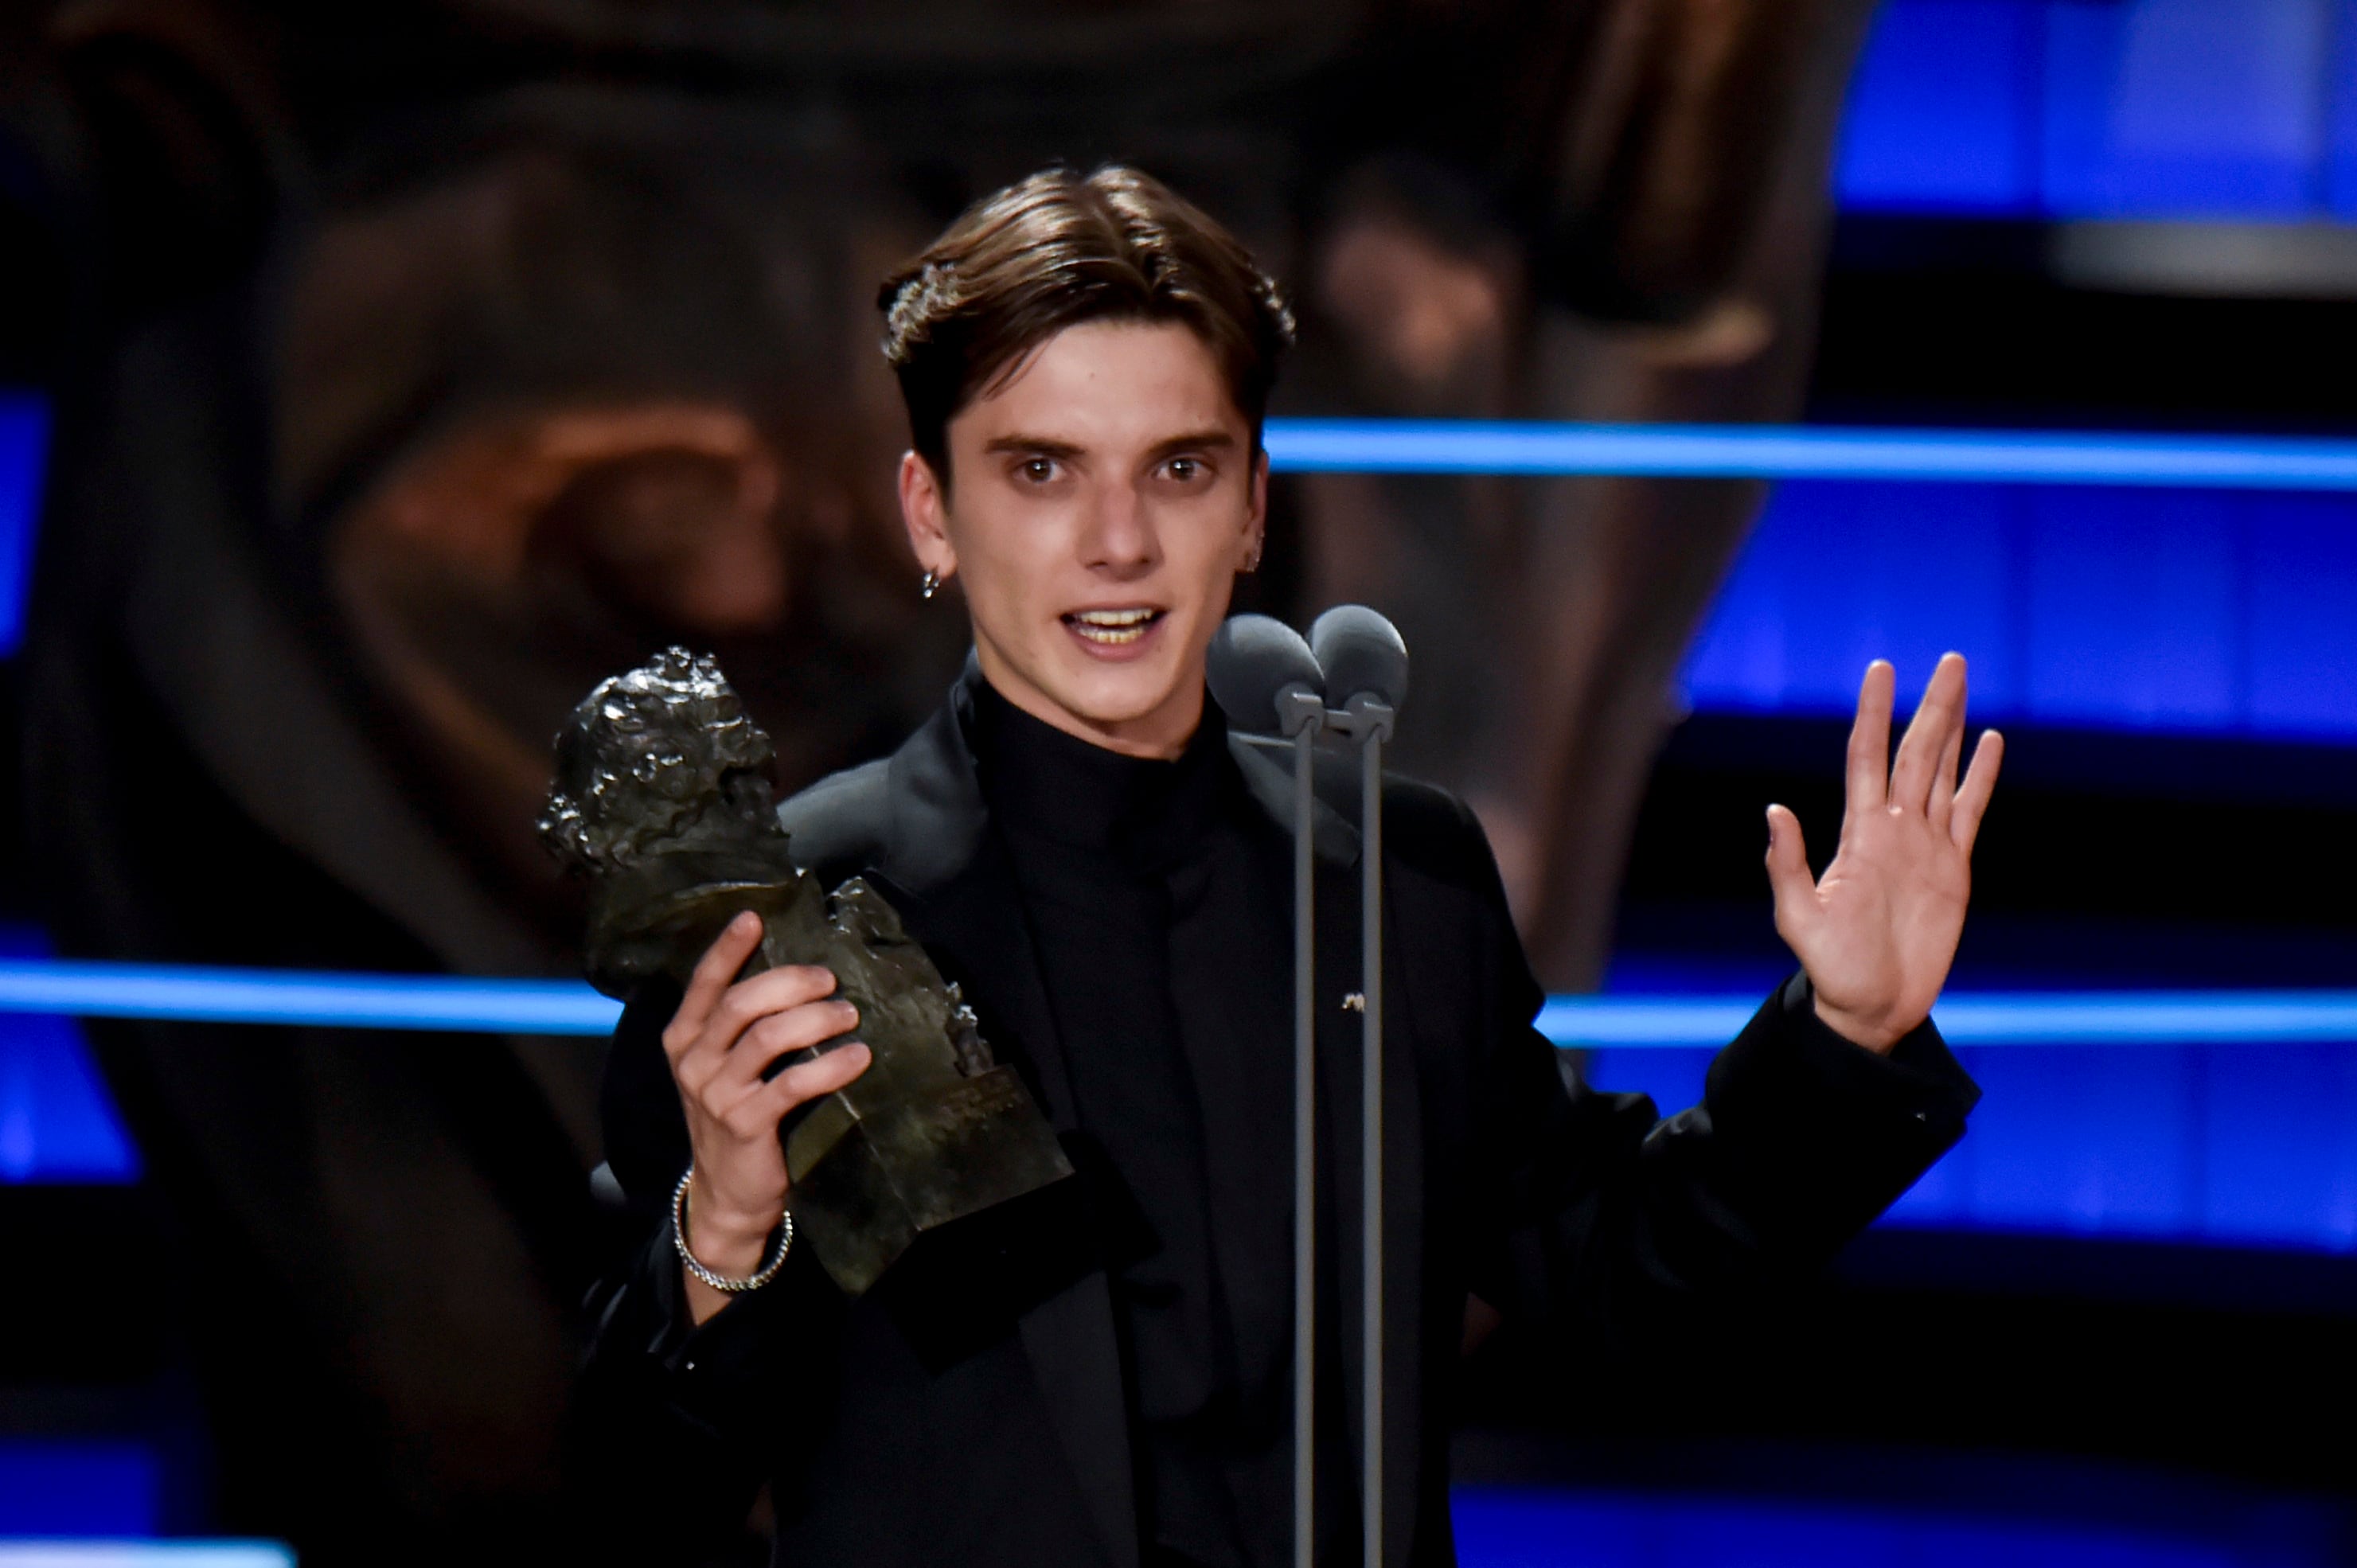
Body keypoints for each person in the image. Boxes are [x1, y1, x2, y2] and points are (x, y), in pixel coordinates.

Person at [570, 165, 2000, 1568]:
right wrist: (727, 1232)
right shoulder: (790, 912)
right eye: (1042, 470)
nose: (1118, 542)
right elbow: (633, 1496)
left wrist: (1848, 1030)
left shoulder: (1394, 878)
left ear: (1251, 507)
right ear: (931, 511)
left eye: (1177, 469)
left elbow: (1615, 1277)